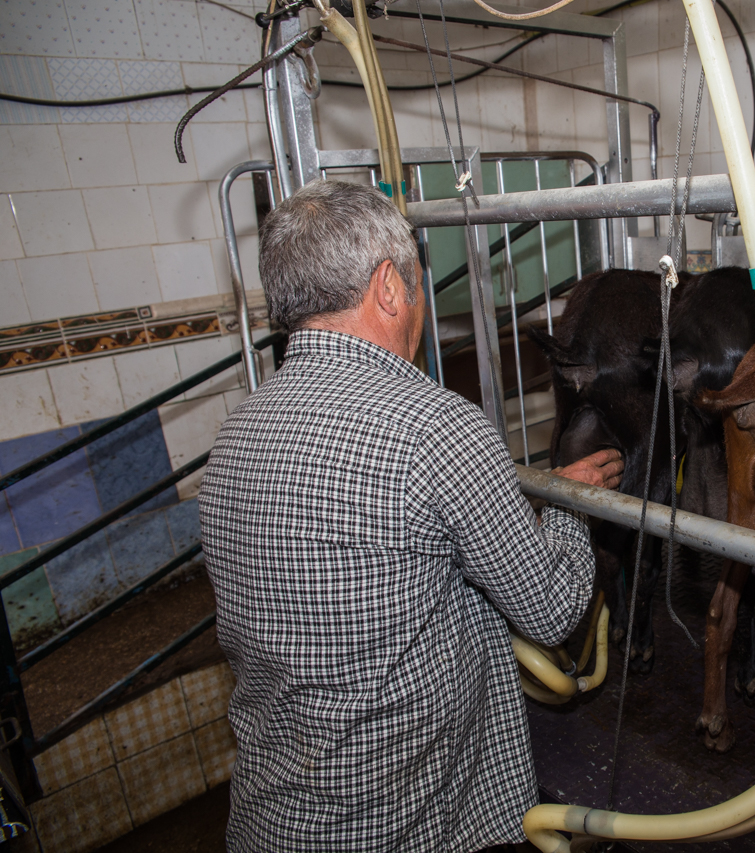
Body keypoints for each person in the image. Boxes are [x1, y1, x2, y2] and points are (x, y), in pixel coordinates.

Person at [199, 179, 622, 852]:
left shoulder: (235, 433)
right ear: (389, 288)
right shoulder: (437, 427)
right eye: (418, 286)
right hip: (402, 826)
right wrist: (571, 508)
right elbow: (551, 611)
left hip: (268, 820)